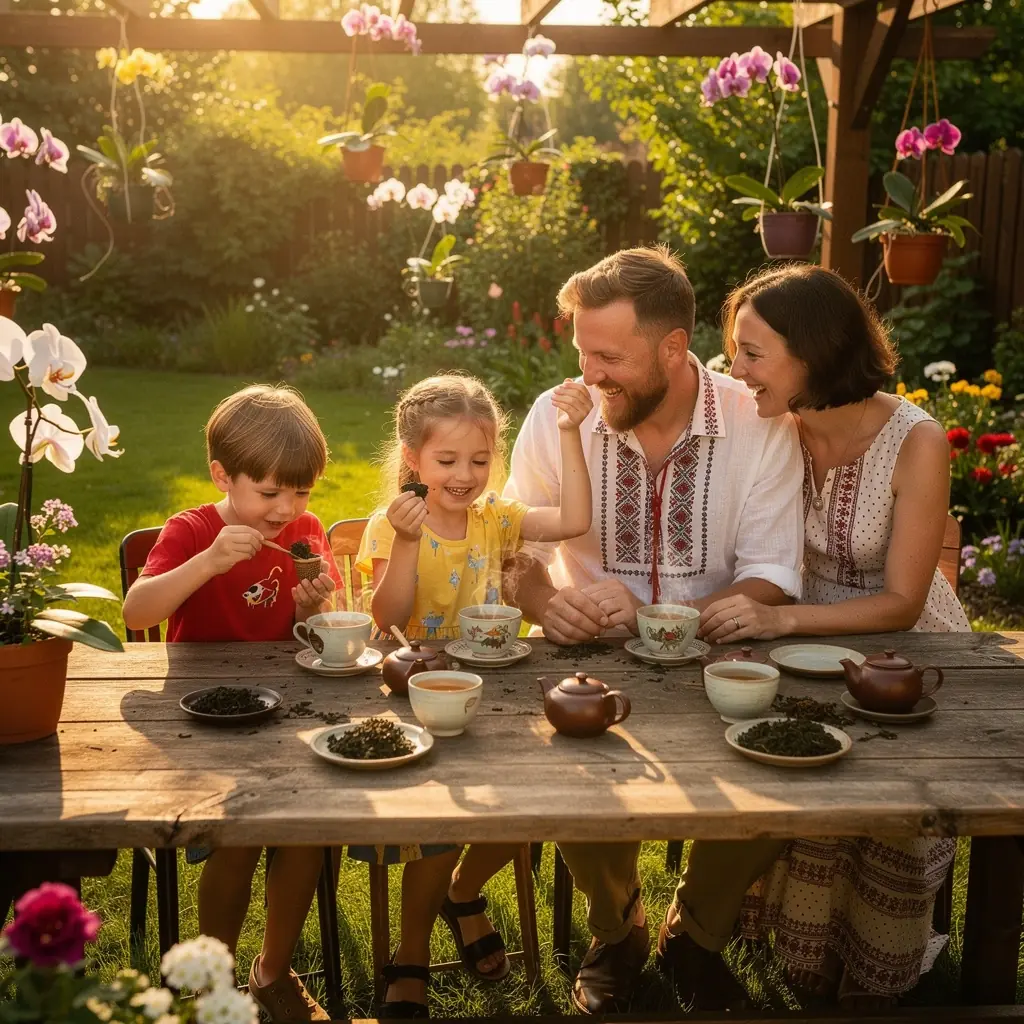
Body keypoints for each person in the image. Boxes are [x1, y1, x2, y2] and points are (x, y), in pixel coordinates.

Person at [502, 245, 805, 1013]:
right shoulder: (556, 416)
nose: (589, 374)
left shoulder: (757, 422)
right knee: (569, 773)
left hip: (723, 655)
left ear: (674, 349)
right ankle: (619, 929)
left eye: (609, 356)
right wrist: (544, 604)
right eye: (581, 352)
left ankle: (695, 936)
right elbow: (511, 550)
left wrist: (673, 621)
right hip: (592, 659)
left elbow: (771, 566)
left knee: (788, 771)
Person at [683, 264, 970, 1010]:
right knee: (769, 768)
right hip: (797, 648)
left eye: (753, 353)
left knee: (888, 807)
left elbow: (904, 602)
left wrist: (780, 619)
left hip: (903, 654)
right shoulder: (772, 423)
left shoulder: (917, 440)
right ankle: (722, 941)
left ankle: (868, 973)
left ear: (813, 350)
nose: (736, 369)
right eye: (734, 351)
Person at [353, 371, 594, 1017]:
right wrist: (406, 541)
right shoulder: (390, 525)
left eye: (481, 460)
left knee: (533, 799)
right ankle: (409, 951)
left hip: (496, 688)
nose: (465, 475)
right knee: (439, 826)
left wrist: (570, 430)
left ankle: (462, 892)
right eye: (447, 460)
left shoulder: (496, 518)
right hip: (417, 693)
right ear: (412, 459)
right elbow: (386, 616)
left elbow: (574, 518)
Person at [122, 384, 342, 1022]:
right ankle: (213, 981)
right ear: (222, 475)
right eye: (269, 492)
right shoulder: (192, 531)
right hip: (204, 717)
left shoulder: (302, 532)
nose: (286, 509)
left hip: (287, 713)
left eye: (300, 492)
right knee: (240, 835)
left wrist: (315, 609)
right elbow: (137, 611)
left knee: (305, 836)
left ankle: (272, 971)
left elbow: (317, 632)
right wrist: (208, 563)